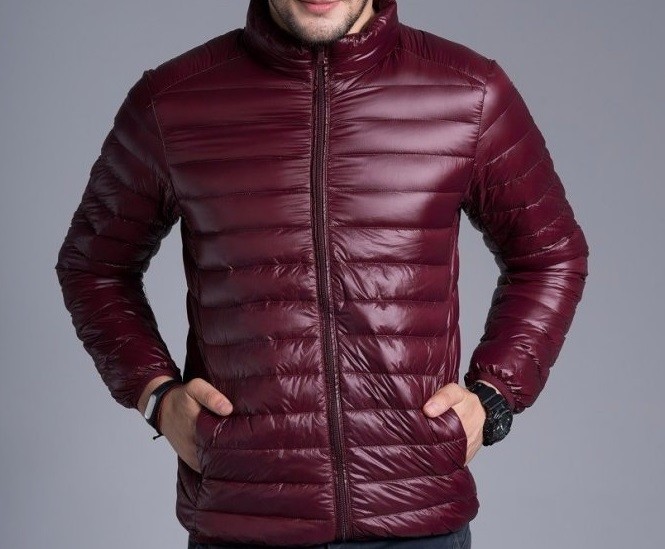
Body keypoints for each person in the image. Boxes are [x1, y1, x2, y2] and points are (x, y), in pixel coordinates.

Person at [54, 0, 589, 547]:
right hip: (244, 520)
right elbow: (93, 267)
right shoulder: (172, 102)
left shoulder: (469, 93)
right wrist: (156, 396)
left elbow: (550, 255)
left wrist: (495, 395)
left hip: (416, 517)